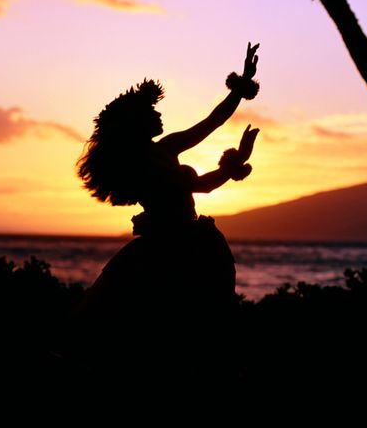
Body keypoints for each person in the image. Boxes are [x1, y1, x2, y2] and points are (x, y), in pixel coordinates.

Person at [66, 43, 260, 390]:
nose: (159, 116)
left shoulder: (167, 148)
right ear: (135, 123)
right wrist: (232, 163)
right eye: (151, 113)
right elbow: (200, 185)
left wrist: (241, 87)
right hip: (166, 249)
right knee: (162, 324)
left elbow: (212, 124)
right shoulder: (140, 165)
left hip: (195, 242)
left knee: (200, 322)